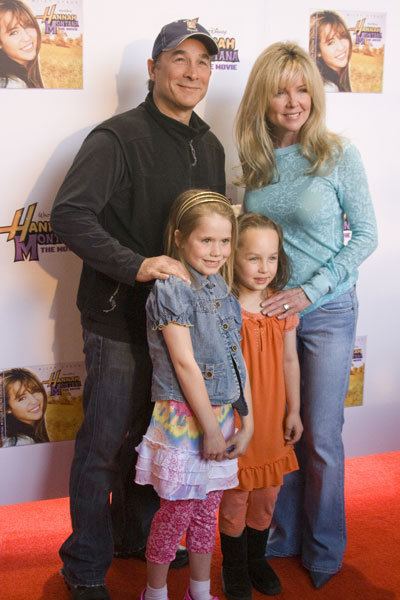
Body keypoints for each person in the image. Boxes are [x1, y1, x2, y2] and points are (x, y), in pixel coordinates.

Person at [50, 18, 225, 600]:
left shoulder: (211, 143)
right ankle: (85, 567)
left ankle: (134, 539)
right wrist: (138, 263)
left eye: (203, 62)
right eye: (179, 59)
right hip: (120, 319)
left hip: (180, 330)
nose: (192, 72)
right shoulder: (116, 137)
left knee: (153, 444)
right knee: (103, 447)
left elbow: (210, 237)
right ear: (153, 69)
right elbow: (72, 216)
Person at [236, 42, 377, 588]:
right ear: (262, 97)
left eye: (302, 89)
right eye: (280, 89)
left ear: (315, 95)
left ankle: (323, 549)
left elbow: (365, 236)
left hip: (327, 312)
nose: (292, 101)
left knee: (320, 438)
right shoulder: (256, 162)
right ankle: (282, 535)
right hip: (267, 320)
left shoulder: (337, 154)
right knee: (277, 435)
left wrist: (310, 291)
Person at [135, 189, 253, 600]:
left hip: (220, 414)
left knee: (207, 511)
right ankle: (155, 592)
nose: (218, 251)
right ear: (181, 237)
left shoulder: (222, 286)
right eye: (207, 240)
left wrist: (247, 419)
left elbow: (237, 355)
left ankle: (199, 592)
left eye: (225, 241)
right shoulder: (172, 287)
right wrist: (211, 430)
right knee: (176, 513)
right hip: (184, 418)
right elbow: (184, 364)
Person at [218, 213, 302, 600]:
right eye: (253, 258)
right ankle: (233, 568)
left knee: (267, 493)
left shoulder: (282, 306)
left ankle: (257, 559)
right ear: (233, 256)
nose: (263, 268)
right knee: (235, 496)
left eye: (271, 258)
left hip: (273, 417)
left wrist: (295, 410)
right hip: (237, 417)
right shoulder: (223, 306)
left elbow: (289, 361)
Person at [0, 0, 44, 88]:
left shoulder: (25, 77)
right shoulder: (12, 85)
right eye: (14, 32)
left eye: (28, 25)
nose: (27, 38)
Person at [2, 368, 49, 447]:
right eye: (22, 398)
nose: (34, 401)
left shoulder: (32, 433)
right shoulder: (21, 442)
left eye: (35, 391)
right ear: (7, 408)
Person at [309, 10, 352, 92]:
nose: (341, 47)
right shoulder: (329, 88)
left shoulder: (340, 80)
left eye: (343, 37)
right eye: (331, 42)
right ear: (318, 51)